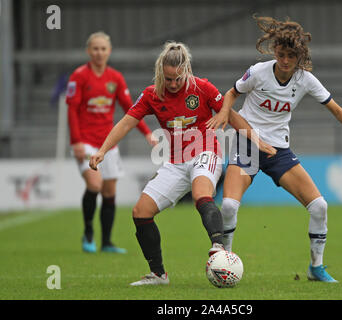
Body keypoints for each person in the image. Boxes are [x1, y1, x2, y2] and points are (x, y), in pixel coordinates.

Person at [89, 41, 276, 285]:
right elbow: (126, 122)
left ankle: (218, 248)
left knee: (201, 195)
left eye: (178, 78)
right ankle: (158, 274)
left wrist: (257, 140)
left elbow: (231, 115)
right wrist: (103, 150)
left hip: (206, 152)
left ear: (186, 70)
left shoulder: (203, 88)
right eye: (168, 79)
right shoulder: (151, 94)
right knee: (141, 213)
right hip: (175, 161)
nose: (174, 84)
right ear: (160, 74)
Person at [207, 16, 342, 283]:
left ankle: (316, 268)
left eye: (291, 56)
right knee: (227, 205)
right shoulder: (259, 72)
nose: (285, 61)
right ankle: (223, 260)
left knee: (319, 206)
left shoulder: (305, 80)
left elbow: (335, 107)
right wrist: (226, 114)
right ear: (275, 52)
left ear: (299, 56)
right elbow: (231, 93)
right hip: (247, 144)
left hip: (279, 151)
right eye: (281, 54)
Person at [66, 31, 157, 254]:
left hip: (107, 144)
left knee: (109, 192)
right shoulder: (79, 76)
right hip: (86, 142)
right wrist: (76, 142)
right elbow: (72, 110)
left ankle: (106, 242)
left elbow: (131, 110)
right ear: (89, 51)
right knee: (94, 185)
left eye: (103, 49)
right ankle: (88, 232)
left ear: (109, 51)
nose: (99, 52)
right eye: (95, 49)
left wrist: (146, 133)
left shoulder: (115, 78)